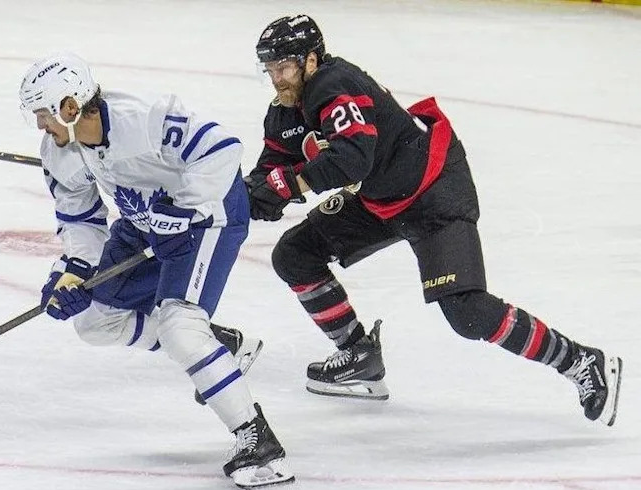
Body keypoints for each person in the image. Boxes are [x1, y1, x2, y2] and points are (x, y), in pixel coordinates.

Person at [244, 14, 622, 425]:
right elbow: (268, 173)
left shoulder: (334, 85)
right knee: (295, 254)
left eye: (283, 68)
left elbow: (353, 158)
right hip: (381, 199)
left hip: (434, 193)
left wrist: (291, 185)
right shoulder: (284, 111)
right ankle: (359, 354)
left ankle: (582, 361)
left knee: (467, 312)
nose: (276, 78)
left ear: (311, 60)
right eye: (270, 69)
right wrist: (244, 197)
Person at [19, 52, 295, 487]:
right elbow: (80, 219)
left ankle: (258, 441)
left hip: (208, 217)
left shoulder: (145, 119)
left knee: (179, 329)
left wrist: (181, 208)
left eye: (42, 113)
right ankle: (221, 347)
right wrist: (71, 273)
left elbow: (223, 152)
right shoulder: (60, 153)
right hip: (144, 223)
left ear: (69, 106)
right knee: (94, 323)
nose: (39, 125)